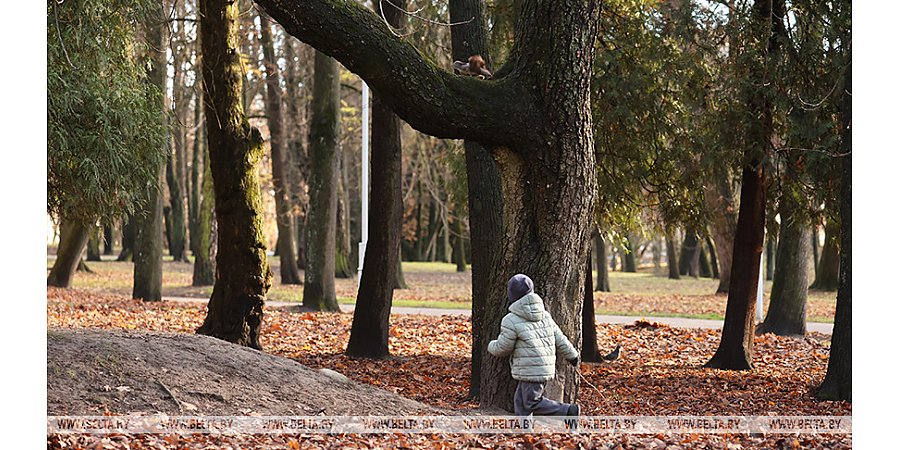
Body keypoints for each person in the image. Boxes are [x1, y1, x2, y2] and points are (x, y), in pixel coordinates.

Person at [488, 274, 581, 417]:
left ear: (511, 295)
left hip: (531, 369)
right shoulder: (545, 316)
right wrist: (572, 355)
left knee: (531, 402)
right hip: (543, 366)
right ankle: (524, 430)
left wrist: (491, 345)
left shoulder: (510, 320)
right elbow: (560, 339)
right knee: (520, 401)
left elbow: (503, 348)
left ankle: (568, 411)